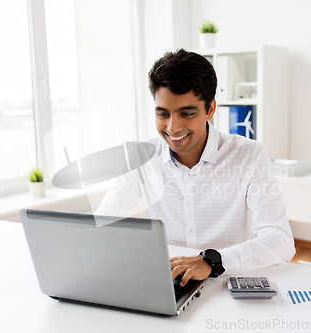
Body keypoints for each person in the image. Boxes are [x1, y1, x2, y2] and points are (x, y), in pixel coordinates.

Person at [96, 48, 295, 287]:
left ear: (210, 110)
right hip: (168, 282)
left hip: (225, 281)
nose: (173, 127)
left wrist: (212, 261)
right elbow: (103, 223)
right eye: (162, 113)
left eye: (186, 113)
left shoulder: (248, 155)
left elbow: (281, 240)